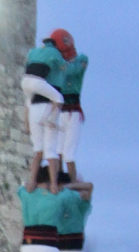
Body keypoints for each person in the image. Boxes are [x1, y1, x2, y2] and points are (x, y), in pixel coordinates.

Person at [21, 37, 67, 193]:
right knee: (50, 151)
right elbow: (63, 66)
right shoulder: (54, 52)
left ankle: (31, 182)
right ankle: (54, 184)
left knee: (38, 151)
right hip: (40, 90)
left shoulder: (34, 51)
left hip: (28, 88)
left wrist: (27, 124)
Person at [50, 29, 88, 183]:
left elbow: (72, 71)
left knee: (68, 154)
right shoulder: (58, 63)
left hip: (72, 111)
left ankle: (71, 183)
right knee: (57, 151)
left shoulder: (80, 59)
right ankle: (60, 181)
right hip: (60, 111)